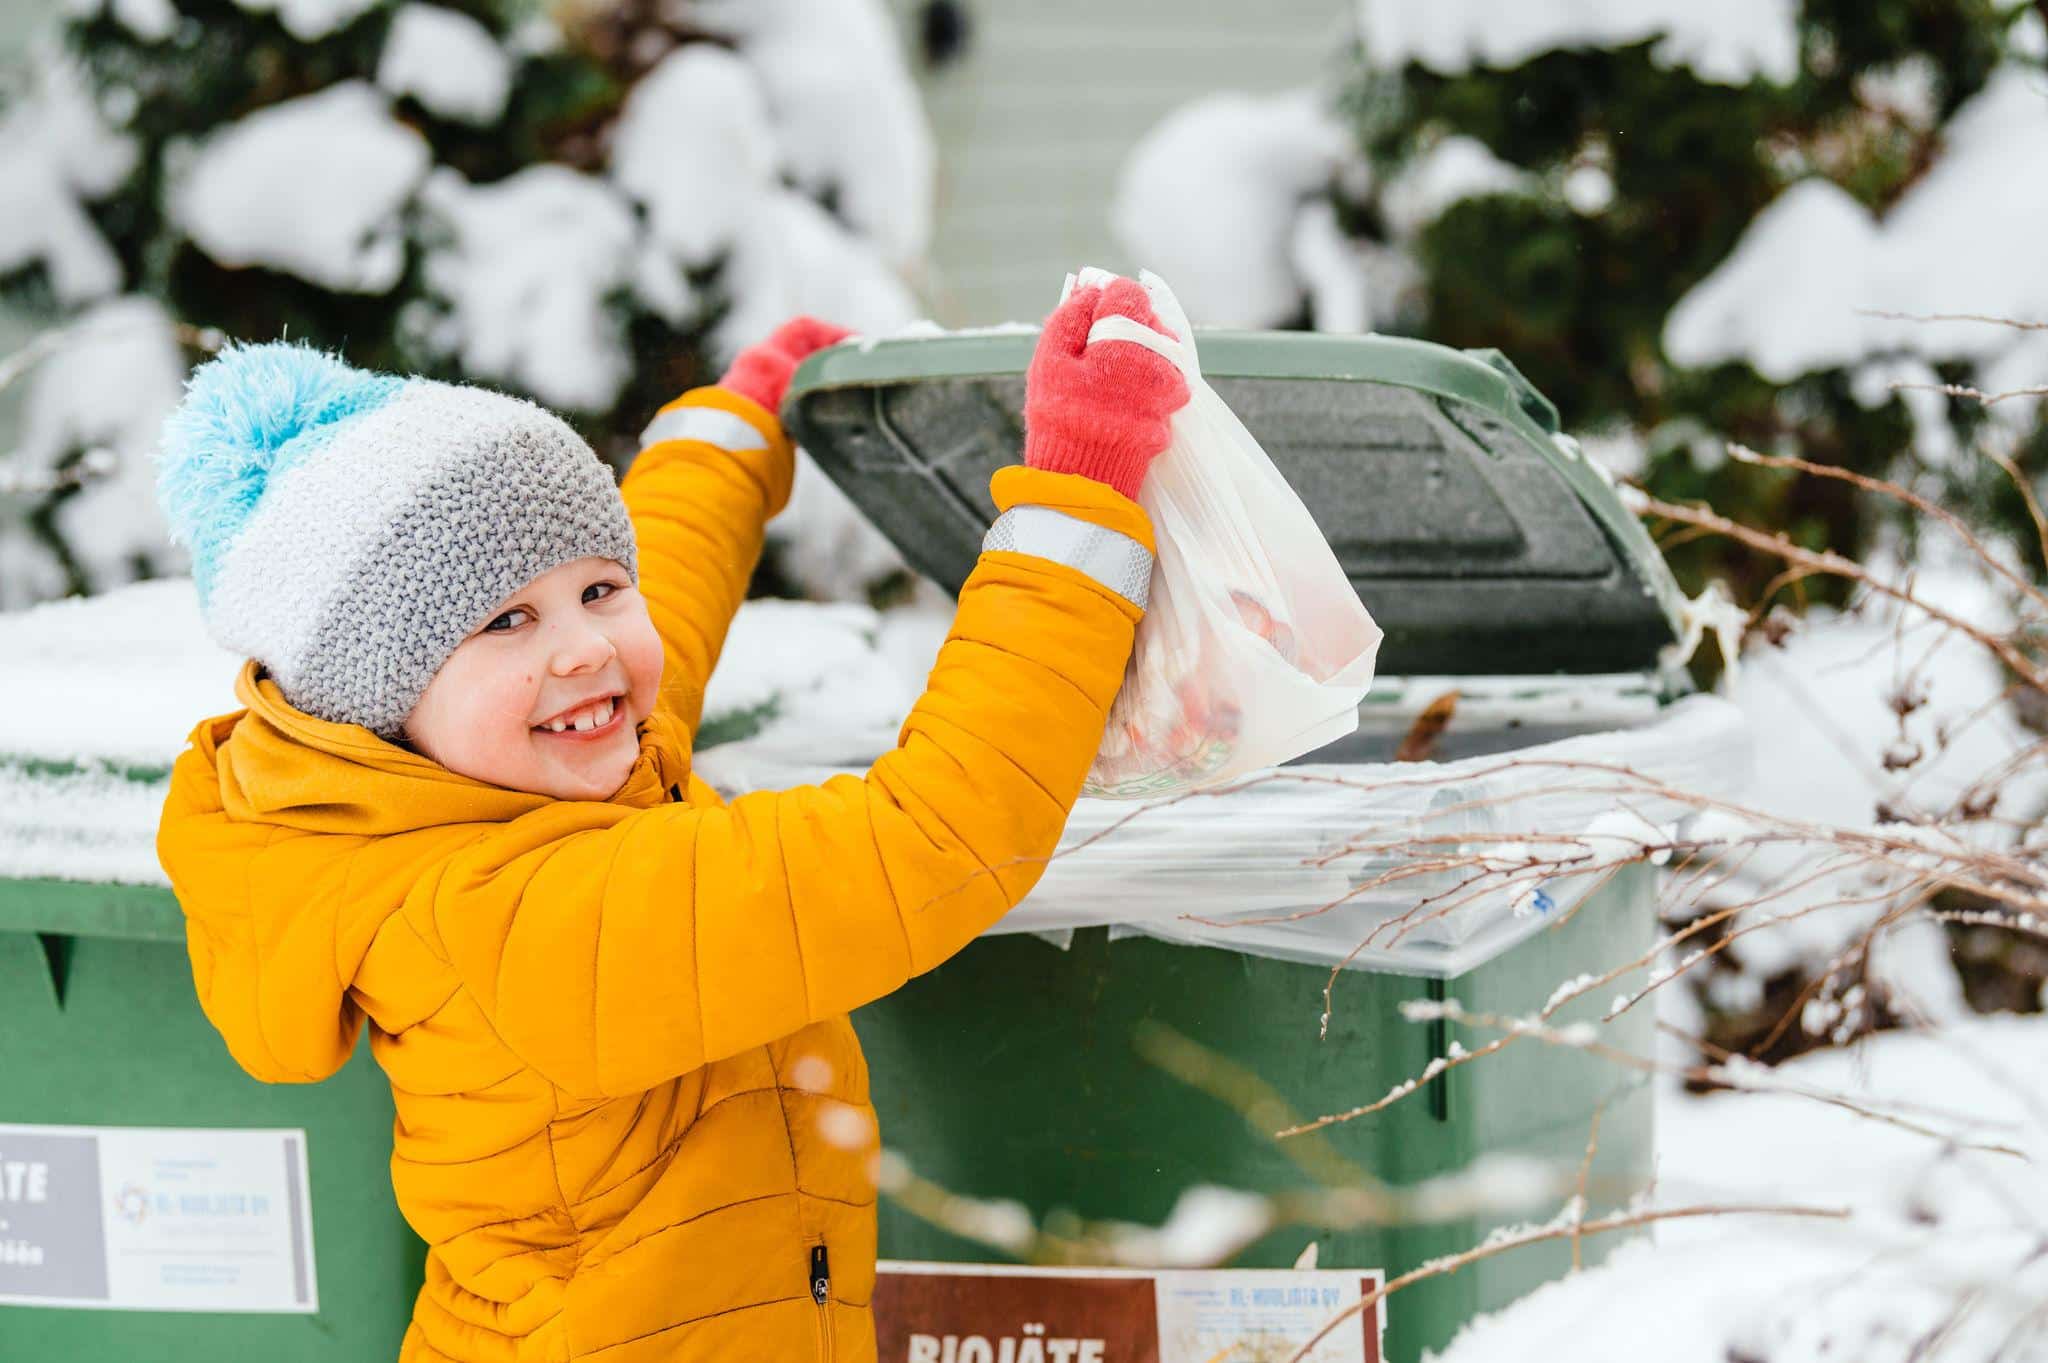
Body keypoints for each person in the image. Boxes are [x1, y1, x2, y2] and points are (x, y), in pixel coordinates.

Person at [153, 276, 1189, 1362]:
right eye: (507, 619)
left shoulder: (501, 776)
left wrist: (732, 428)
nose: (584, 647)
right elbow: (926, 840)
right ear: (384, 700)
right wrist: (1077, 491)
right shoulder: (520, 923)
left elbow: (671, 586)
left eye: (599, 590)